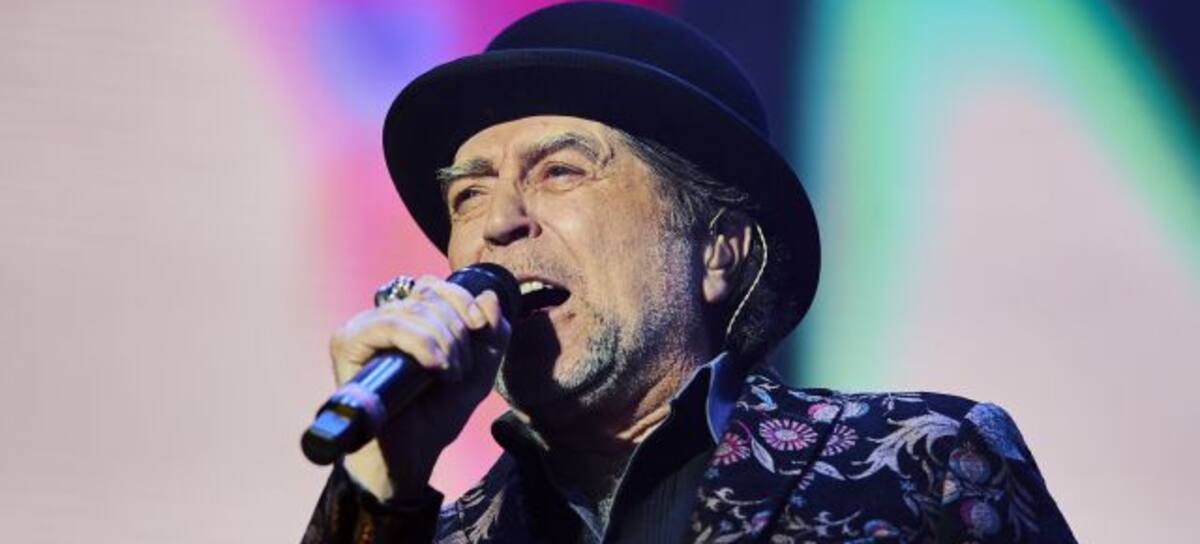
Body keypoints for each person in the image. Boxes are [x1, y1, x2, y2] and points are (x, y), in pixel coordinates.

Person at [302, 3, 1075, 543]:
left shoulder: (921, 461)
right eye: (468, 194)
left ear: (720, 251)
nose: (497, 222)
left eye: (561, 171)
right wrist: (379, 489)